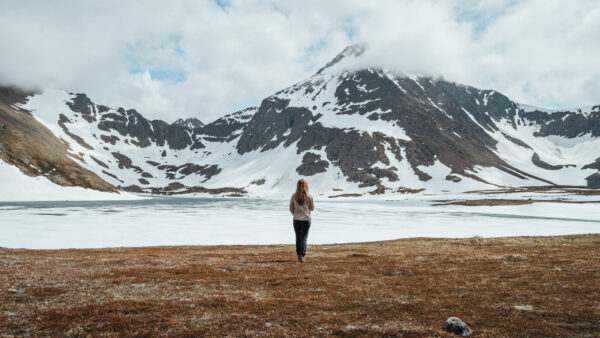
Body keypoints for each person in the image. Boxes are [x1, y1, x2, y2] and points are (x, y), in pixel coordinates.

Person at [289, 179, 314, 262]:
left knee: (298, 237)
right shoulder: (309, 196)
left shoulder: (293, 196)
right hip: (306, 220)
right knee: (304, 237)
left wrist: (296, 215)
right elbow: (312, 208)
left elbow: (290, 208)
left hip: (296, 220)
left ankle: (298, 255)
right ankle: (302, 255)